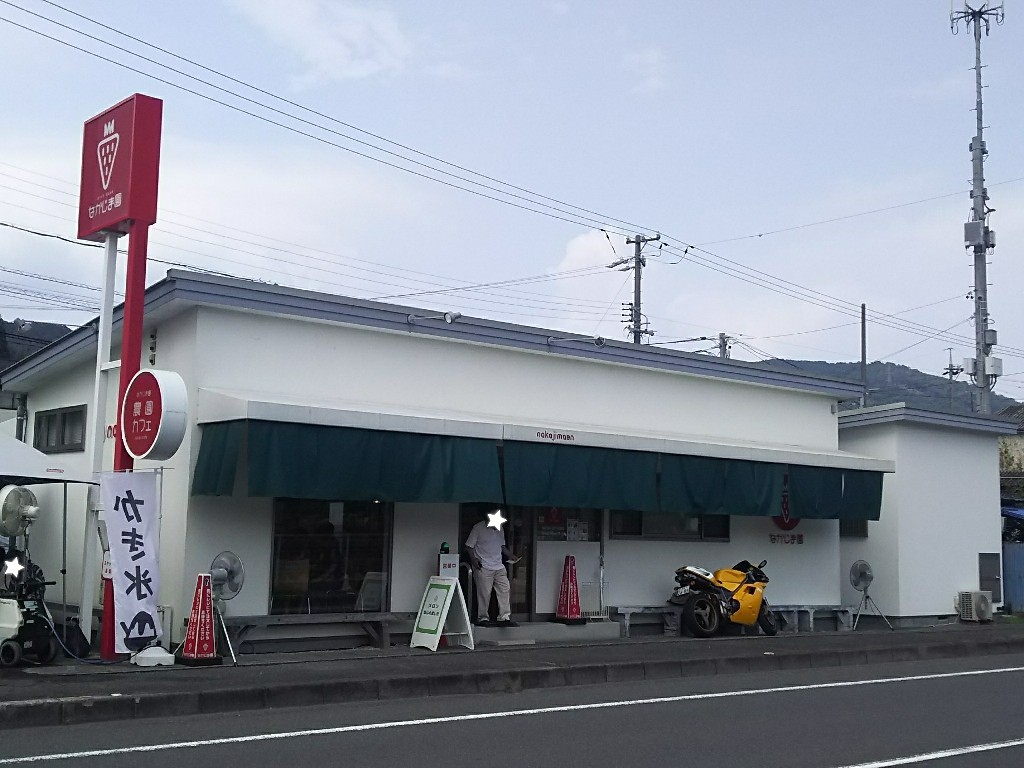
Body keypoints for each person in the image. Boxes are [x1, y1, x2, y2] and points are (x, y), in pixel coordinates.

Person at [464, 508, 519, 627]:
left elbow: (502, 546)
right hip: (483, 566)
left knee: (505, 589)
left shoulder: (500, 529)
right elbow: (469, 546)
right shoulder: (478, 528)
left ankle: (504, 617)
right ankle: (483, 617)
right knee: (484, 593)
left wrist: (511, 555)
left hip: (498, 565)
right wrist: (474, 560)